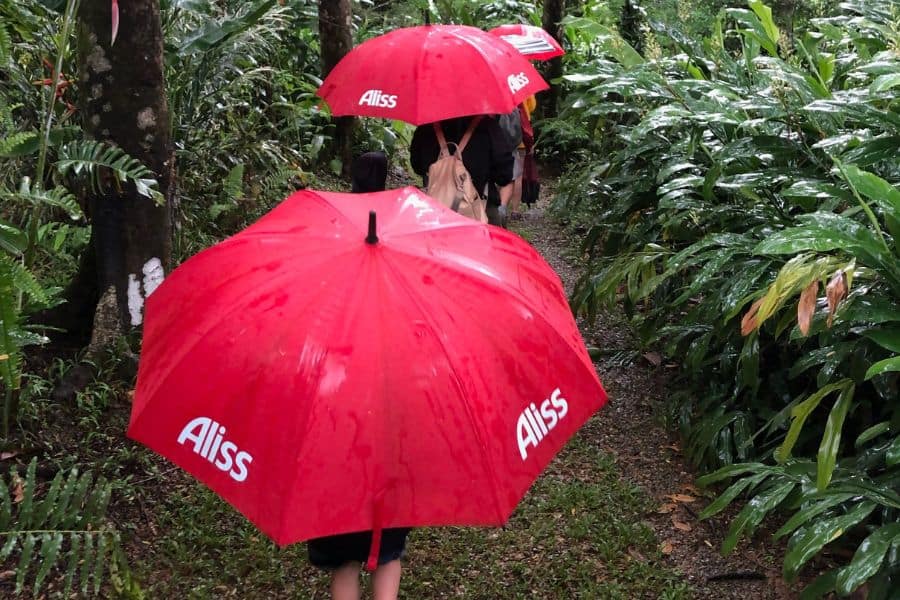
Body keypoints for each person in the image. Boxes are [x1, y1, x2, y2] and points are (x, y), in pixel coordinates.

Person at [305, 150, 411, 600]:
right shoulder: (403, 243)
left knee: (343, 560)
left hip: (333, 436)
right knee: (387, 553)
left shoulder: (324, 236)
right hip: (389, 434)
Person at [409, 115, 515, 227]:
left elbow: (417, 166)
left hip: (434, 209)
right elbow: (504, 175)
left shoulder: (426, 127)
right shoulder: (487, 126)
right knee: (493, 237)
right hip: (479, 208)